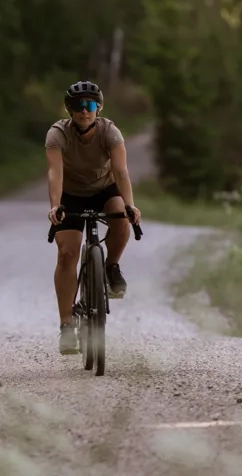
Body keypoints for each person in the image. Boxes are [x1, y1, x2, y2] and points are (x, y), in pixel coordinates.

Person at [45, 80, 142, 355]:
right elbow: (55, 174)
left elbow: (121, 172)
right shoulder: (57, 134)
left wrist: (131, 204)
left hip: (104, 189)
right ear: (69, 109)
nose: (84, 111)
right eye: (77, 106)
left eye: (89, 105)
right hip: (70, 193)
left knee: (120, 214)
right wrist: (55, 206)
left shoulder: (110, 132)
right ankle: (66, 325)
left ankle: (111, 266)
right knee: (67, 254)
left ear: (98, 107)